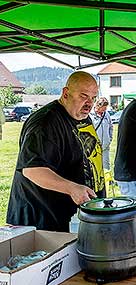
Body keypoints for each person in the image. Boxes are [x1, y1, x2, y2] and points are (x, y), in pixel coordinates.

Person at [7, 71, 105, 232]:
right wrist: (72, 188)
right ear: (66, 93)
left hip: (75, 219)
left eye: (93, 98)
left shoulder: (82, 116)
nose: (89, 103)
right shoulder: (45, 122)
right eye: (83, 96)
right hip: (44, 223)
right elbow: (32, 170)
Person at [90, 97, 113, 170]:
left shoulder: (107, 115)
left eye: (106, 108)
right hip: (94, 146)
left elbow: (110, 127)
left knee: (106, 165)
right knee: (94, 166)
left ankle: (107, 180)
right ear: (98, 106)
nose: (105, 110)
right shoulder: (90, 115)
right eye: (103, 108)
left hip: (105, 146)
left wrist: (109, 139)